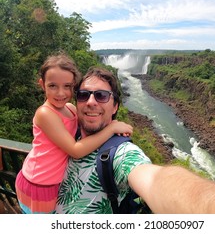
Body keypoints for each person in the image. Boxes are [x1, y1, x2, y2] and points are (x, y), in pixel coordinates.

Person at [55, 66, 215, 214]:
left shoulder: (120, 154)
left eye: (101, 96)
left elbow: (155, 181)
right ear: (76, 101)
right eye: (83, 95)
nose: (91, 102)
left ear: (115, 106)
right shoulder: (65, 134)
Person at [15, 53, 133, 214]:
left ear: (73, 87)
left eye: (67, 86)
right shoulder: (45, 113)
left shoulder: (70, 109)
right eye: (53, 86)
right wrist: (111, 129)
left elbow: (91, 121)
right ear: (42, 84)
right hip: (38, 183)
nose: (60, 93)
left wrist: (110, 121)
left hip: (52, 181)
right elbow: (76, 150)